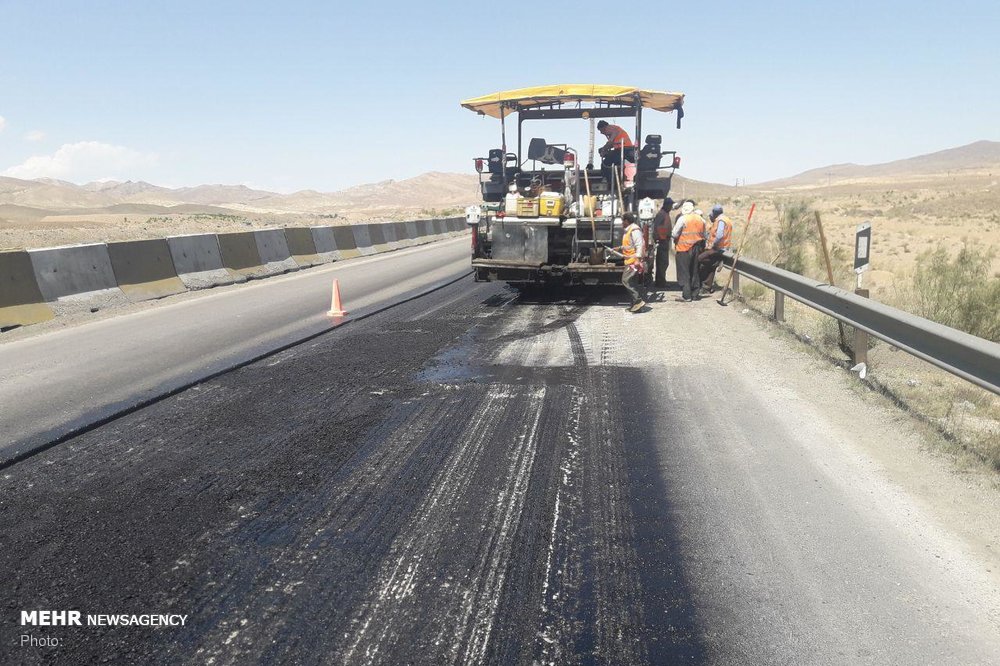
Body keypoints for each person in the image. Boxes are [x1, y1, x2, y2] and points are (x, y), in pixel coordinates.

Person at [671, 201, 707, 301]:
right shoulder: (701, 219)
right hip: (697, 248)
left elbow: (674, 234)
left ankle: (687, 295)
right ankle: (695, 294)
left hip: (683, 249)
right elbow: (704, 235)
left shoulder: (683, 219)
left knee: (684, 272)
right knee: (694, 271)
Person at [612, 212, 646, 312]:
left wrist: (638, 259)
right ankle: (636, 306)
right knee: (632, 282)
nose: (622, 223)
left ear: (626, 221)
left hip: (633, 261)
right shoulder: (628, 231)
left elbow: (639, 245)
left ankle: (638, 301)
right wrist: (619, 248)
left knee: (626, 280)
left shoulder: (634, 230)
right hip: (629, 260)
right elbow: (629, 245)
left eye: (623, 221)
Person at [698, 204, 733, 293]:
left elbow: (719, 235)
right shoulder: (726, 219)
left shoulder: (721, 220)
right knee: (710, 266)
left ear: (714, 212)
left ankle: (718, 262)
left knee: (699, 259)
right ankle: (706, 286)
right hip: (723, 247)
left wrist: (713, 245)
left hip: (718, 248)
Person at [597, 120, 634, 193]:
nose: (602, 133)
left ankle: (607, 180)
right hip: (623, 150)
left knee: (605, 163)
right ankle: (614, 180)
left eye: (602, 130)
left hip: (624, 150)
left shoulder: (613, 129)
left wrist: (604, 149)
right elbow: (612, 144)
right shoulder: (613, 131)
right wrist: (604, 149)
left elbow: (610, 143)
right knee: (612, 161)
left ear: (605, 127)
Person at [652, 197, 674, 288]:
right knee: (662, 262)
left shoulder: (665, 213)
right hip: (662, 241)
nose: (671, 207)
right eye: (670, 205)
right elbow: (656, 227)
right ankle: (660, 283)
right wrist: (657, 239)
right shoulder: (661, 214)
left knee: (664, 263)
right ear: (666, 205)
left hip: (665, 240)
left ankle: (661, 281)